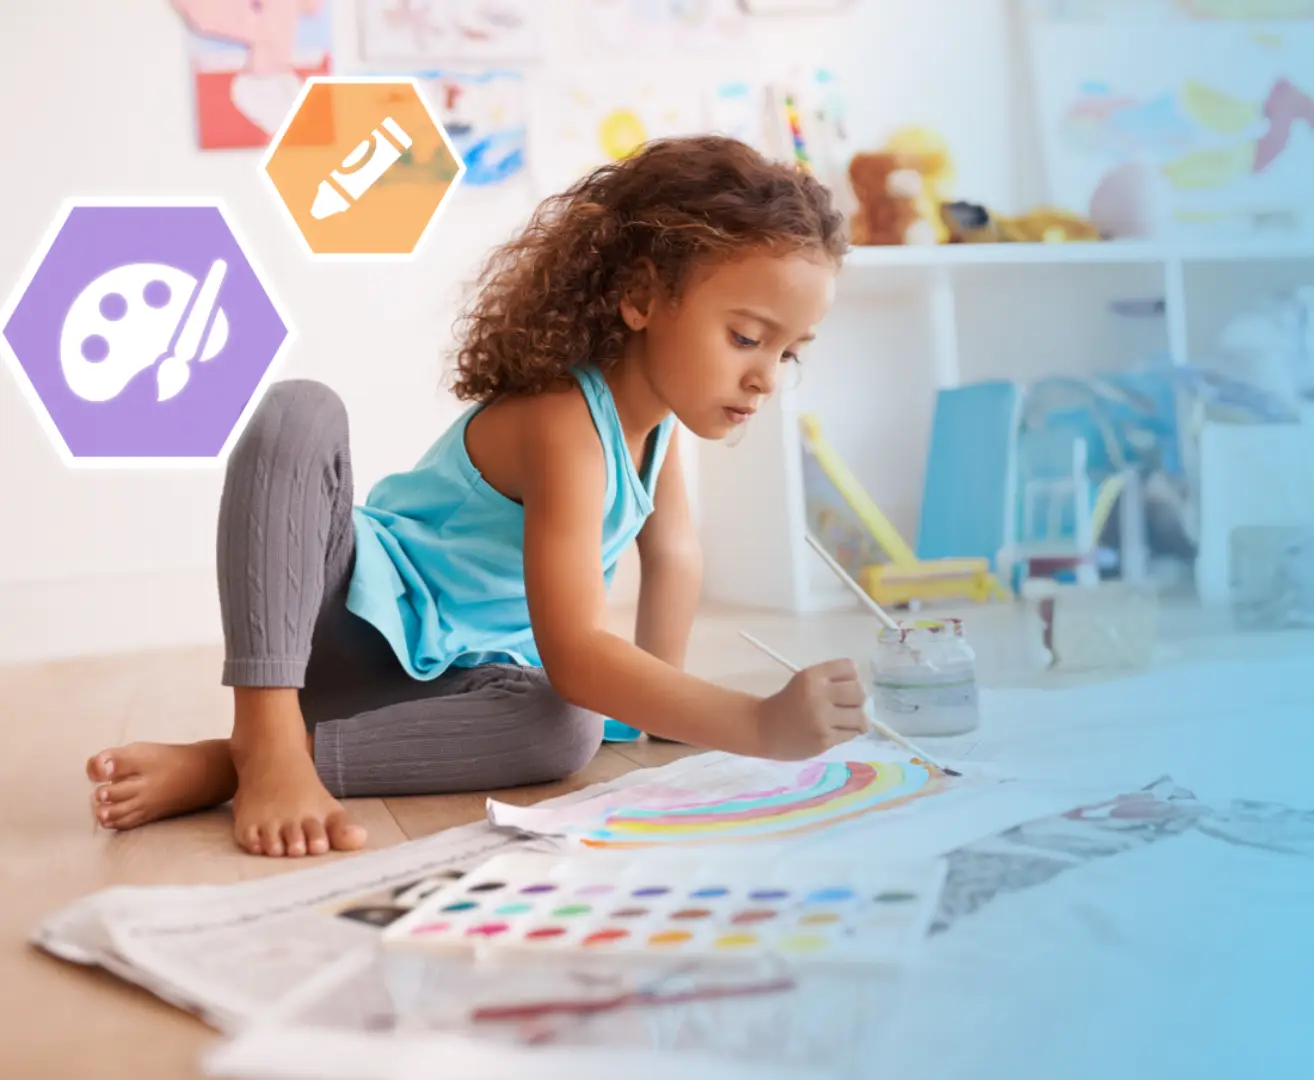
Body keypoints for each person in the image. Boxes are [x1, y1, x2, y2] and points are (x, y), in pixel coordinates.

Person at [83, 135, 870, 858]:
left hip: (444, 683)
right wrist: (756, 723)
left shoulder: (657, 432)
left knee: (566, 725)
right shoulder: (566, 422)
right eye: (746, 337)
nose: (767, 377)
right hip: (339, 620)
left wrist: (663, 718)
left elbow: (673, 556)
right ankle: (266, 732)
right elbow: (579, 650)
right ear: (640, 298)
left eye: (789, 352)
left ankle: (228, 767)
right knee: (300, 410)